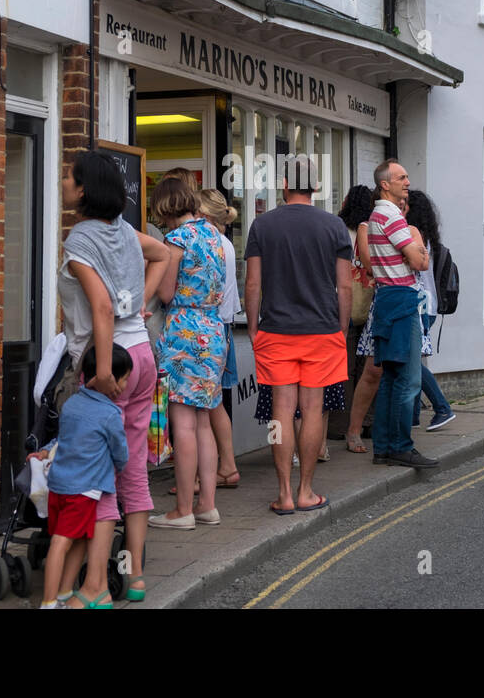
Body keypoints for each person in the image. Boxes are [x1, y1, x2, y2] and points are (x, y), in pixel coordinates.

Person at [55, 150, 168, 605]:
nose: (64, 182)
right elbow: (163, 252)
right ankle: (136, 577)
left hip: (111, 360)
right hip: (142, 353)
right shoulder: (123, 231)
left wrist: (102, 372)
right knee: (133, 465)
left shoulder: (80, 239)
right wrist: (140, 302)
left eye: (69, 176)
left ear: (83, 190)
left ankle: (96, 585)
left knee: (96, 473)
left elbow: (100, 307)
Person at [245, 154, 352, 514]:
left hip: (276, 331)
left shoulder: (263, 226)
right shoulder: (335, 226)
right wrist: (341, 327)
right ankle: (306, 490)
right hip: (322, 331)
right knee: (312, 410)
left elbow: (253, 283)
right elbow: (345, 286)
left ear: (284, 185)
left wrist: (254, 327)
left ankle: (284, 494)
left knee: (281, 413)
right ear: (316, 186)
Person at [148, 177, 228, 530]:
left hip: (184, 330)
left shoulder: (175, 240)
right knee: (202, 421)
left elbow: (166, 294)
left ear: (164, 207)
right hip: (213, 331)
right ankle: (207, 505)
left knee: (181, 421)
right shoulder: (213, 234)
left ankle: (182, 510)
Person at [30, 343, 131, 609]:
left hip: (60, 486)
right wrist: (120, 465)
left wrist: (44, 451)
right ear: (108, 377)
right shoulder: (111, 414)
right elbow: (121, 453)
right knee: (60, 544)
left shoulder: (73, 403)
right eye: (124, 378)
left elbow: (63, 440)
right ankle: (49, 602)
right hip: (83, 492)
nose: (124, 385)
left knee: (77, 542)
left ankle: (64, 593)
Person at [365, 160, 437, 469]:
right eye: (401, 177)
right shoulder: (391, 215)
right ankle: (400, 446)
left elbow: (416, 259)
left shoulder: (379, 215)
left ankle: (384, 447)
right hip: (401, 297)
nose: (407, 182)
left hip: (388, 298)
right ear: (385, 184)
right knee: (408, 380)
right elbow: (420, 263)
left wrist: (416, 251)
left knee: (392, 378)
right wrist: (419, 246)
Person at [197, 189, 242, 490]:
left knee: (206, 406)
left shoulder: (209, 243)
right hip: (223, 327)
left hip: (211, 327)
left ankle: (211, 471)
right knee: (214, 405)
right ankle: (226, 466)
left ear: (202, 215)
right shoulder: (224, 242)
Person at [405, 191, 455, 431]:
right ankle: (413, 416)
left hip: (420, 305)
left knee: (413, 362)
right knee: (417, 359)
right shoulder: (428, 238)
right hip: (430, 305)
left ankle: (442, 408)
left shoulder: (413, 237)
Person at [342, 185, 383, 453]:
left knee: (344, 370)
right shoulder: (372, 232)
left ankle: (339, 424)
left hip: (344, 306)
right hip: (368, 306)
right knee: (369, 369)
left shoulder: (341, 232)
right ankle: (367, 422)